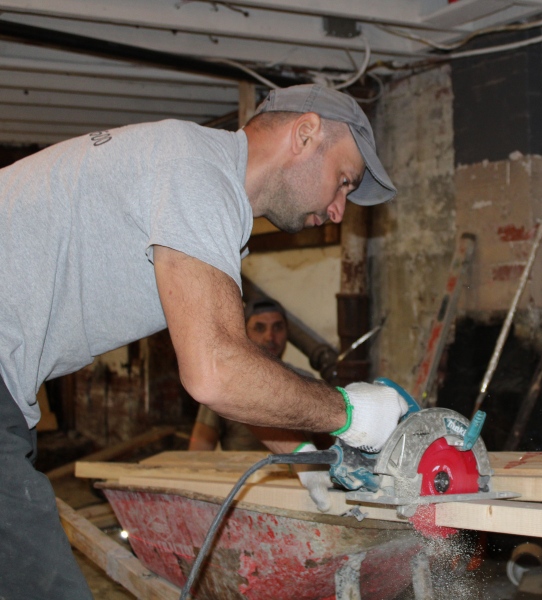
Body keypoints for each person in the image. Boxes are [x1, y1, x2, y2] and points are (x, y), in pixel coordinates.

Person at [0, 84, 408, 599]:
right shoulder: (198, 170)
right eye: (342, 181)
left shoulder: (192, 185)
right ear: (305, 134)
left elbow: (226, 369)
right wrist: (349, 413)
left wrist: (305, 456)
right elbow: (216, 371)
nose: (337, 212)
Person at [189, 298, 312, 452]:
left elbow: (325, 449)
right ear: (245, 334)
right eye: (259, 328)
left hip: (296, 475)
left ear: (287, 331)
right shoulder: (225, 385)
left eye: (278, 327)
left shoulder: (305, 383)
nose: (270, 337)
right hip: (241, 475)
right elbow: (199, 448)